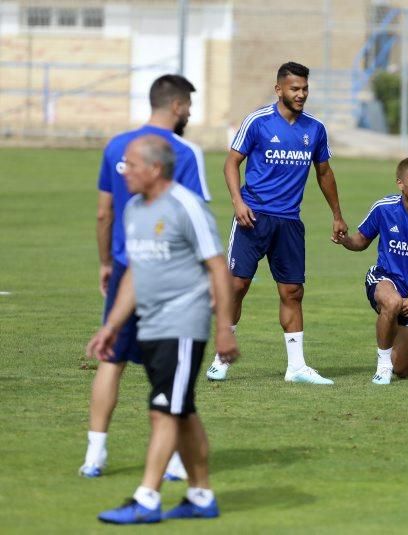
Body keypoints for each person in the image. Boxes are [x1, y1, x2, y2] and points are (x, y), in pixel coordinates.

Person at [86, 135, 239, 524]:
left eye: (131, 165)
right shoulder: (135, 209)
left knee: (163, 411)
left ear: (154, 168)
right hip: (150, 324)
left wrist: (224, 327)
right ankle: (201, 496)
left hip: (183, 325)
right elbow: (137, 274)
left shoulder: (186, 206)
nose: (124, 172)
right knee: (180, 410)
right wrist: (113, 326)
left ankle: (147, 498)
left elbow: (218, 267)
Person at [81, 74, 211, 478]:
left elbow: (104, 212)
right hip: (169, 274)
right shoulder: (185, 152)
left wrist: (106, 263)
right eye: (188, 103)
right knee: (169, 369)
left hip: (125, 267)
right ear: (175, 105)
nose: (189, 111)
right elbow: (193, 218)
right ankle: (173, 461)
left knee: (111, 360)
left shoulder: (118, 146)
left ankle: (94, 455)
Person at [205, 61, 348, 384]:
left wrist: (337, 214)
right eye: (295, 89)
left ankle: (296, 367)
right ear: (279, 89)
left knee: (293, 291)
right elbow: (231, 163)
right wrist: (238, 202)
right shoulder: (257, 122)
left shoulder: (315, 129)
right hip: (252, 218)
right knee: (237, 287)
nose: (301, 94)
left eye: (305, 89)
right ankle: (221, 358)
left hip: (289, 222)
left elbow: (324, 173)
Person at [334, 157, 408, 384]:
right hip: (384, 278)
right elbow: (361, 241)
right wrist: (345, 241)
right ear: (400, 184)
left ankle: (394, 336)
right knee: (392, 303)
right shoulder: (384, 208)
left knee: (403, 369)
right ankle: (382, 366)